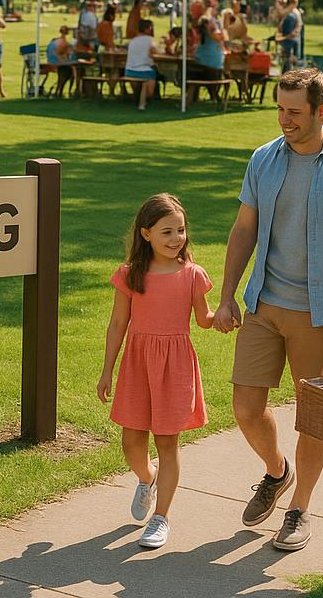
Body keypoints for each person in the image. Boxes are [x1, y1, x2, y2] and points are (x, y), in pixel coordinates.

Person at [214, 68, 323, 552]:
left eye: (294, 111)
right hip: (264, 304)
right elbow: (244, 228)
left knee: (314, 419)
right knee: (246, 409)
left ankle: (299, 508)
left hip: (322, 314)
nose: (284, 119)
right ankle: (277, 471)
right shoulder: (264, 159)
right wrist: (227, 294)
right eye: (280, 109)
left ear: (322, 111)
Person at [97, 193, 215, 550]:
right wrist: (107, 371)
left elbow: (204, 319)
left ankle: (161, 517)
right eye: (166, 231)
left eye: (180, 230)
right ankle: (147, 479)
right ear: (146, 234)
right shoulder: (130, 275)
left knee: (167, 443)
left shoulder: (192, 275)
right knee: (131, 443)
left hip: (175, 366)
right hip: (137, 364)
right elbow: (118, 323)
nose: (176, 238)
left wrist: (225, 315)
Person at [125, 18, 159, 111]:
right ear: (148, 29)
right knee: (149, 90)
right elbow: (155, 53)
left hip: (129, 71)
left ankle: (139, 101)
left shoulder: (132, 41)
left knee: (141, 87)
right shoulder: (150, 40)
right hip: (145, 71)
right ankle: (142, 103)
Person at [46, 24, 77, 98]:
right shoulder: (63, 42)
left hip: (51, 61)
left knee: (70, 68)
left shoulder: (56, 40)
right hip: (57, 62)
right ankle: (70, 90)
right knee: (72, 69)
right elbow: (61, 52)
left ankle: (60, 90)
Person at [276, 0, 301, 72]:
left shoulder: (290, 13)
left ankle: (287, 73)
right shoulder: (294, 12)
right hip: (292, 38)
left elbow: (281, 26)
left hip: (289, 39)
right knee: (289, 59)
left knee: (288, 59)